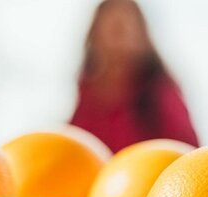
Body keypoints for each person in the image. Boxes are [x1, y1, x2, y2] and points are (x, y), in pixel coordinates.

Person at [71, 0, 199, 152]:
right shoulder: (86, 90)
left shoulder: (160, 91)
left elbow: (189, 153)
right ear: (94, 35)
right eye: (113, 28)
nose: (118, 36)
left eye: (124, 27)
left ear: (142, 35)